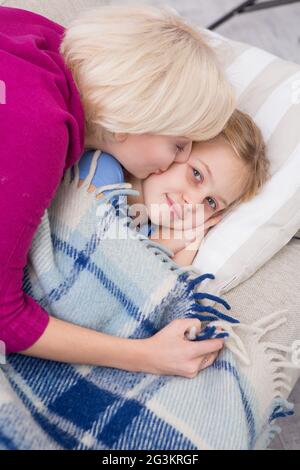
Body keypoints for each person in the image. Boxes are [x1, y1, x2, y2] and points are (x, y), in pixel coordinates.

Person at [0, 5, 235, 378]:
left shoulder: (42, 35)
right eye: (179, 144)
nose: (177, 161)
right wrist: (146, 355)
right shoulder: (42, 131)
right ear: (135, 116)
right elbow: (5, 316)